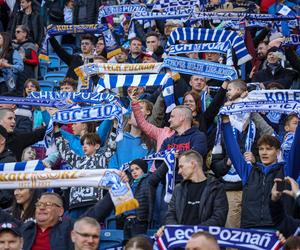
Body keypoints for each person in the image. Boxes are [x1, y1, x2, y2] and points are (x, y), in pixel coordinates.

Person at [222, 113, 300, 229]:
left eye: (269, 149)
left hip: (278, 230)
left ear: (278, 152)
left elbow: (296, 148)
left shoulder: (286, 171)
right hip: (250, 229)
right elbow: (233, 151)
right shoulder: (248, 172)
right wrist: (226, 122)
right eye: (261, 149)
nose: (264, 152)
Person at [163, 150, 228, 226]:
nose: (179, 172)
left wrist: (194, 232)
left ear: (193, 164)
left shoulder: (216, 188)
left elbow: (219, 218)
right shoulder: (178, 189)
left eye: (181, 166)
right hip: (181, 236)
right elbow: (170, 215)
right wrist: (179, 231)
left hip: (205, 236)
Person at [12, 25, 38, 93]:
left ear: (25, 34)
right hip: (16, 73)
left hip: (27, 73)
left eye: (18, 32)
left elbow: (36, 61)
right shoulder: (13, 45)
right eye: (15, 32)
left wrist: (25, 60)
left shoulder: (30, 45)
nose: (16, 34)